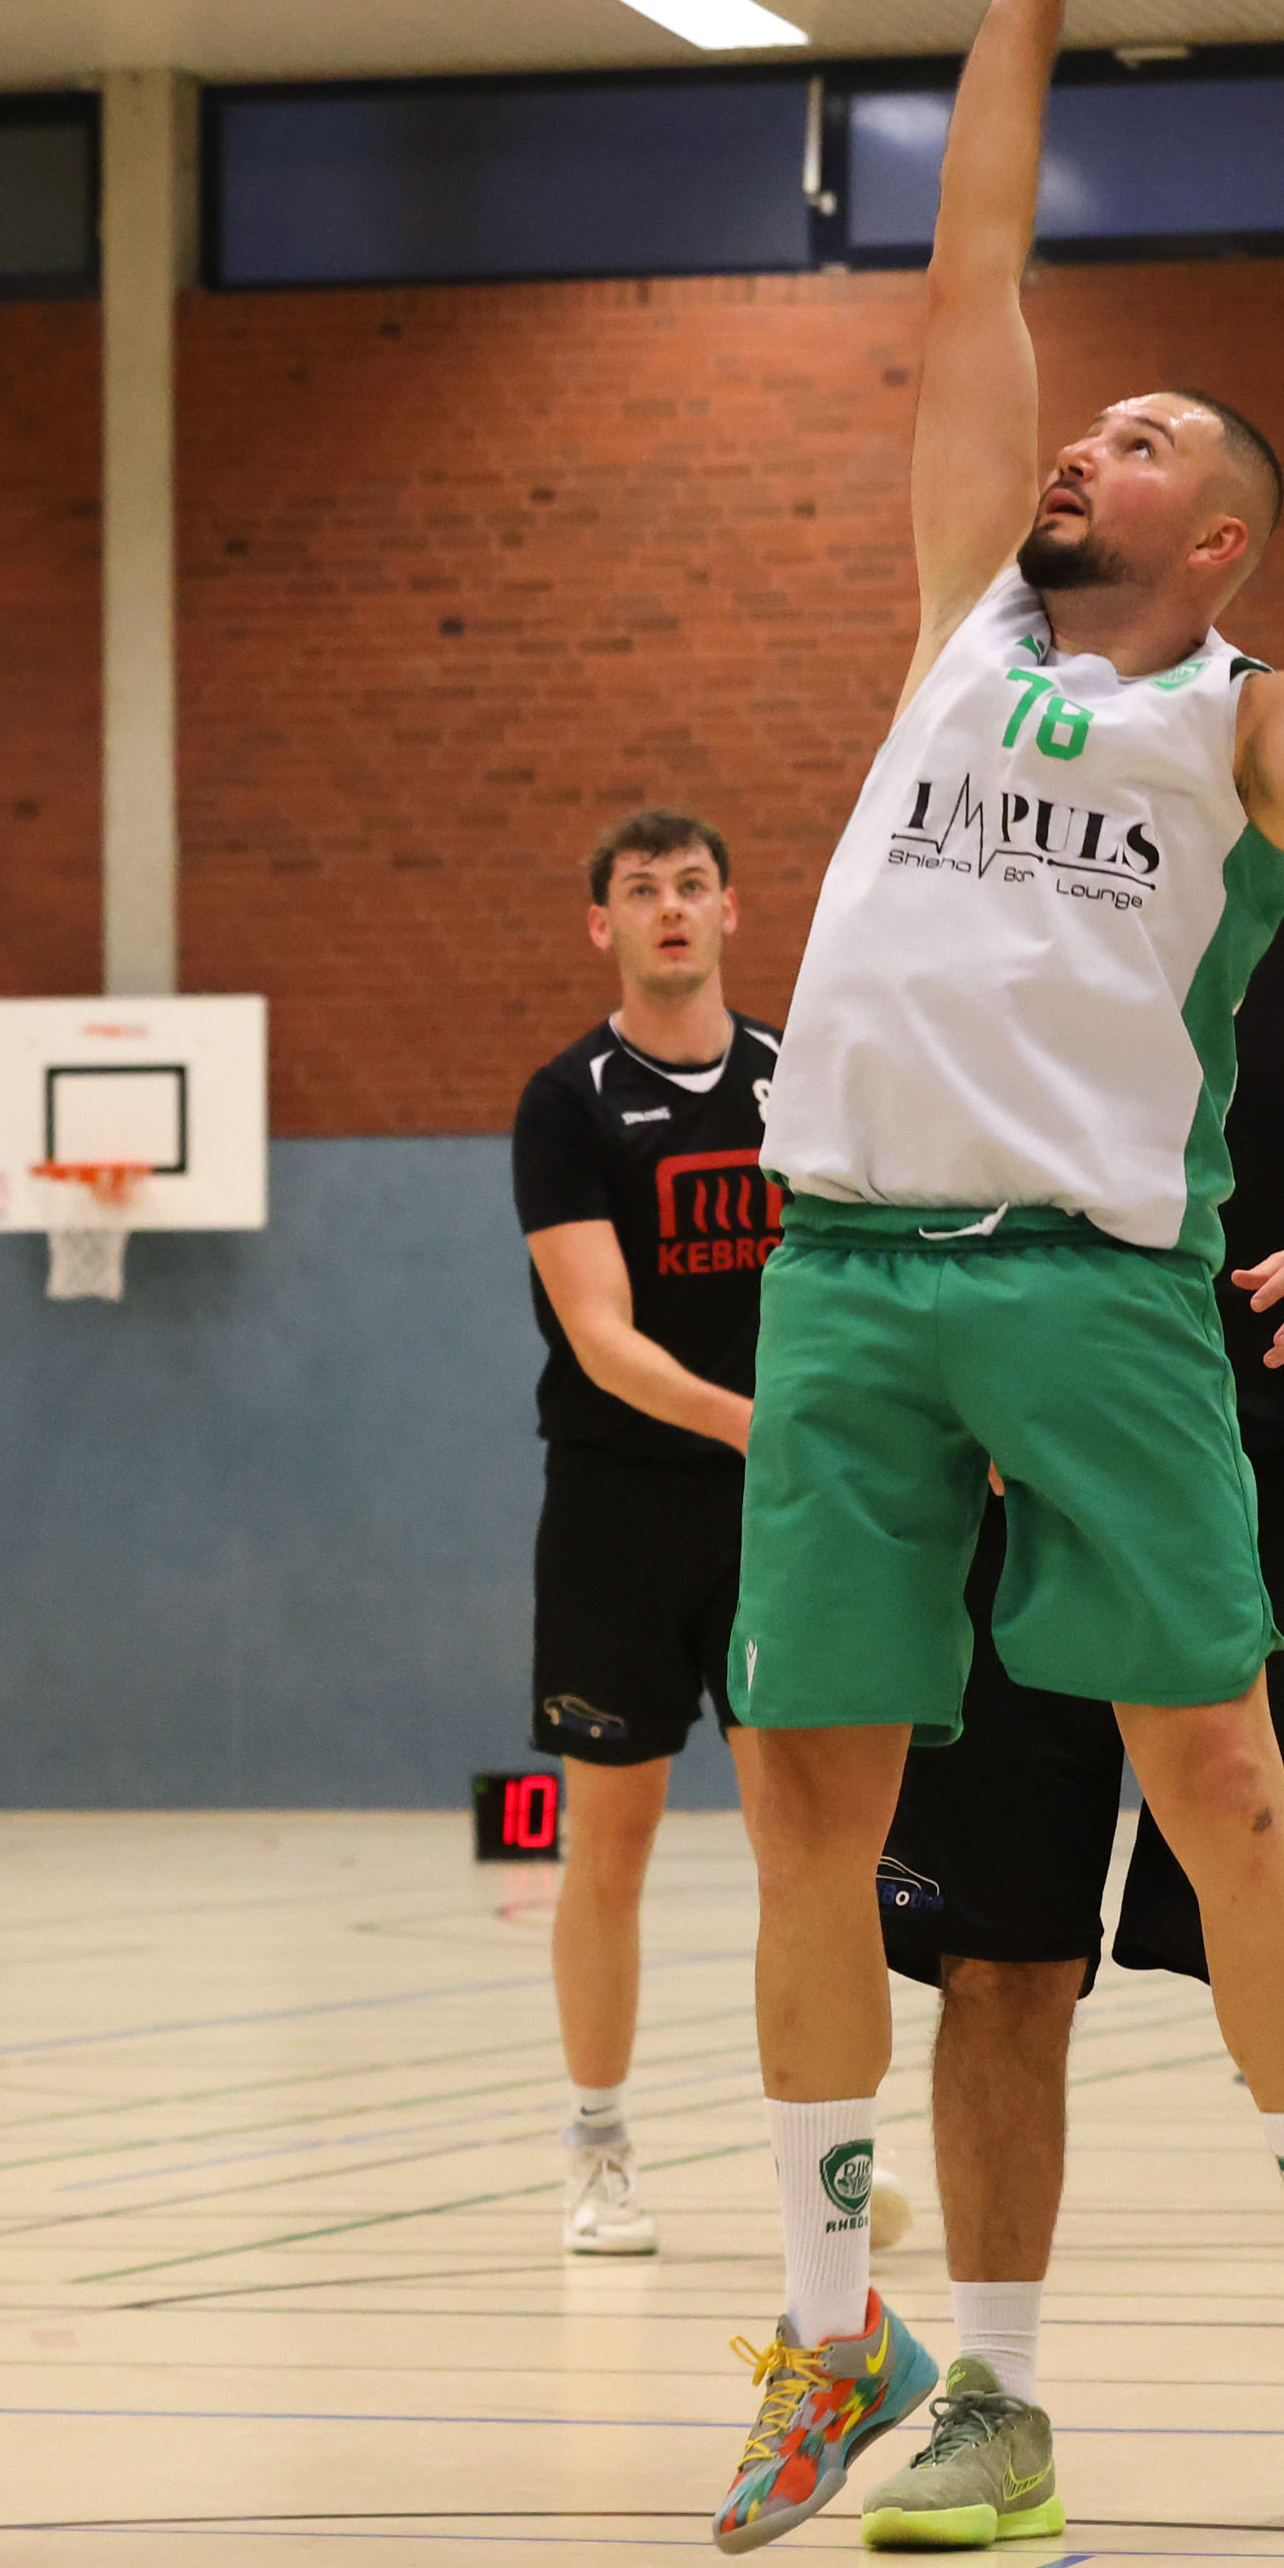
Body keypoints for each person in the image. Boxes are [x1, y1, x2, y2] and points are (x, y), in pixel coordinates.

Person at [705, 0, 1284, 2557]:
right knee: (807, 1806)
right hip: (843, 1272)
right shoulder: (957, 621)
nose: (1076, 439)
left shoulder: (1234, 722)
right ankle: (837, 2334)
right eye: (1084, 420)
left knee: (1228, 1789)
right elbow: (969, 269)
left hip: (1090, 1290)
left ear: (1213, 535)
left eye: (1135, 440)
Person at [854, 823, 1284, 2550]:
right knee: (999, 1956)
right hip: (1016, 1478)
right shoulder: (972, 863)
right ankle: (992, 2394)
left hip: (1257, 1473)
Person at [511, 806, 782, 2260]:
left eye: (690, 883)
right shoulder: (567, 1102)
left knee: (801, 1842)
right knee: (606, 1843)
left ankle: (820, 2151)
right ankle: (597, 2144)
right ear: (600, 924)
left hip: (779, 1520)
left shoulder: (800, 1077)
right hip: (618, 1513)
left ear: (729, 909)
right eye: (638, 889)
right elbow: (601, 1338)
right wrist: (755, 1423)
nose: (668, 906)